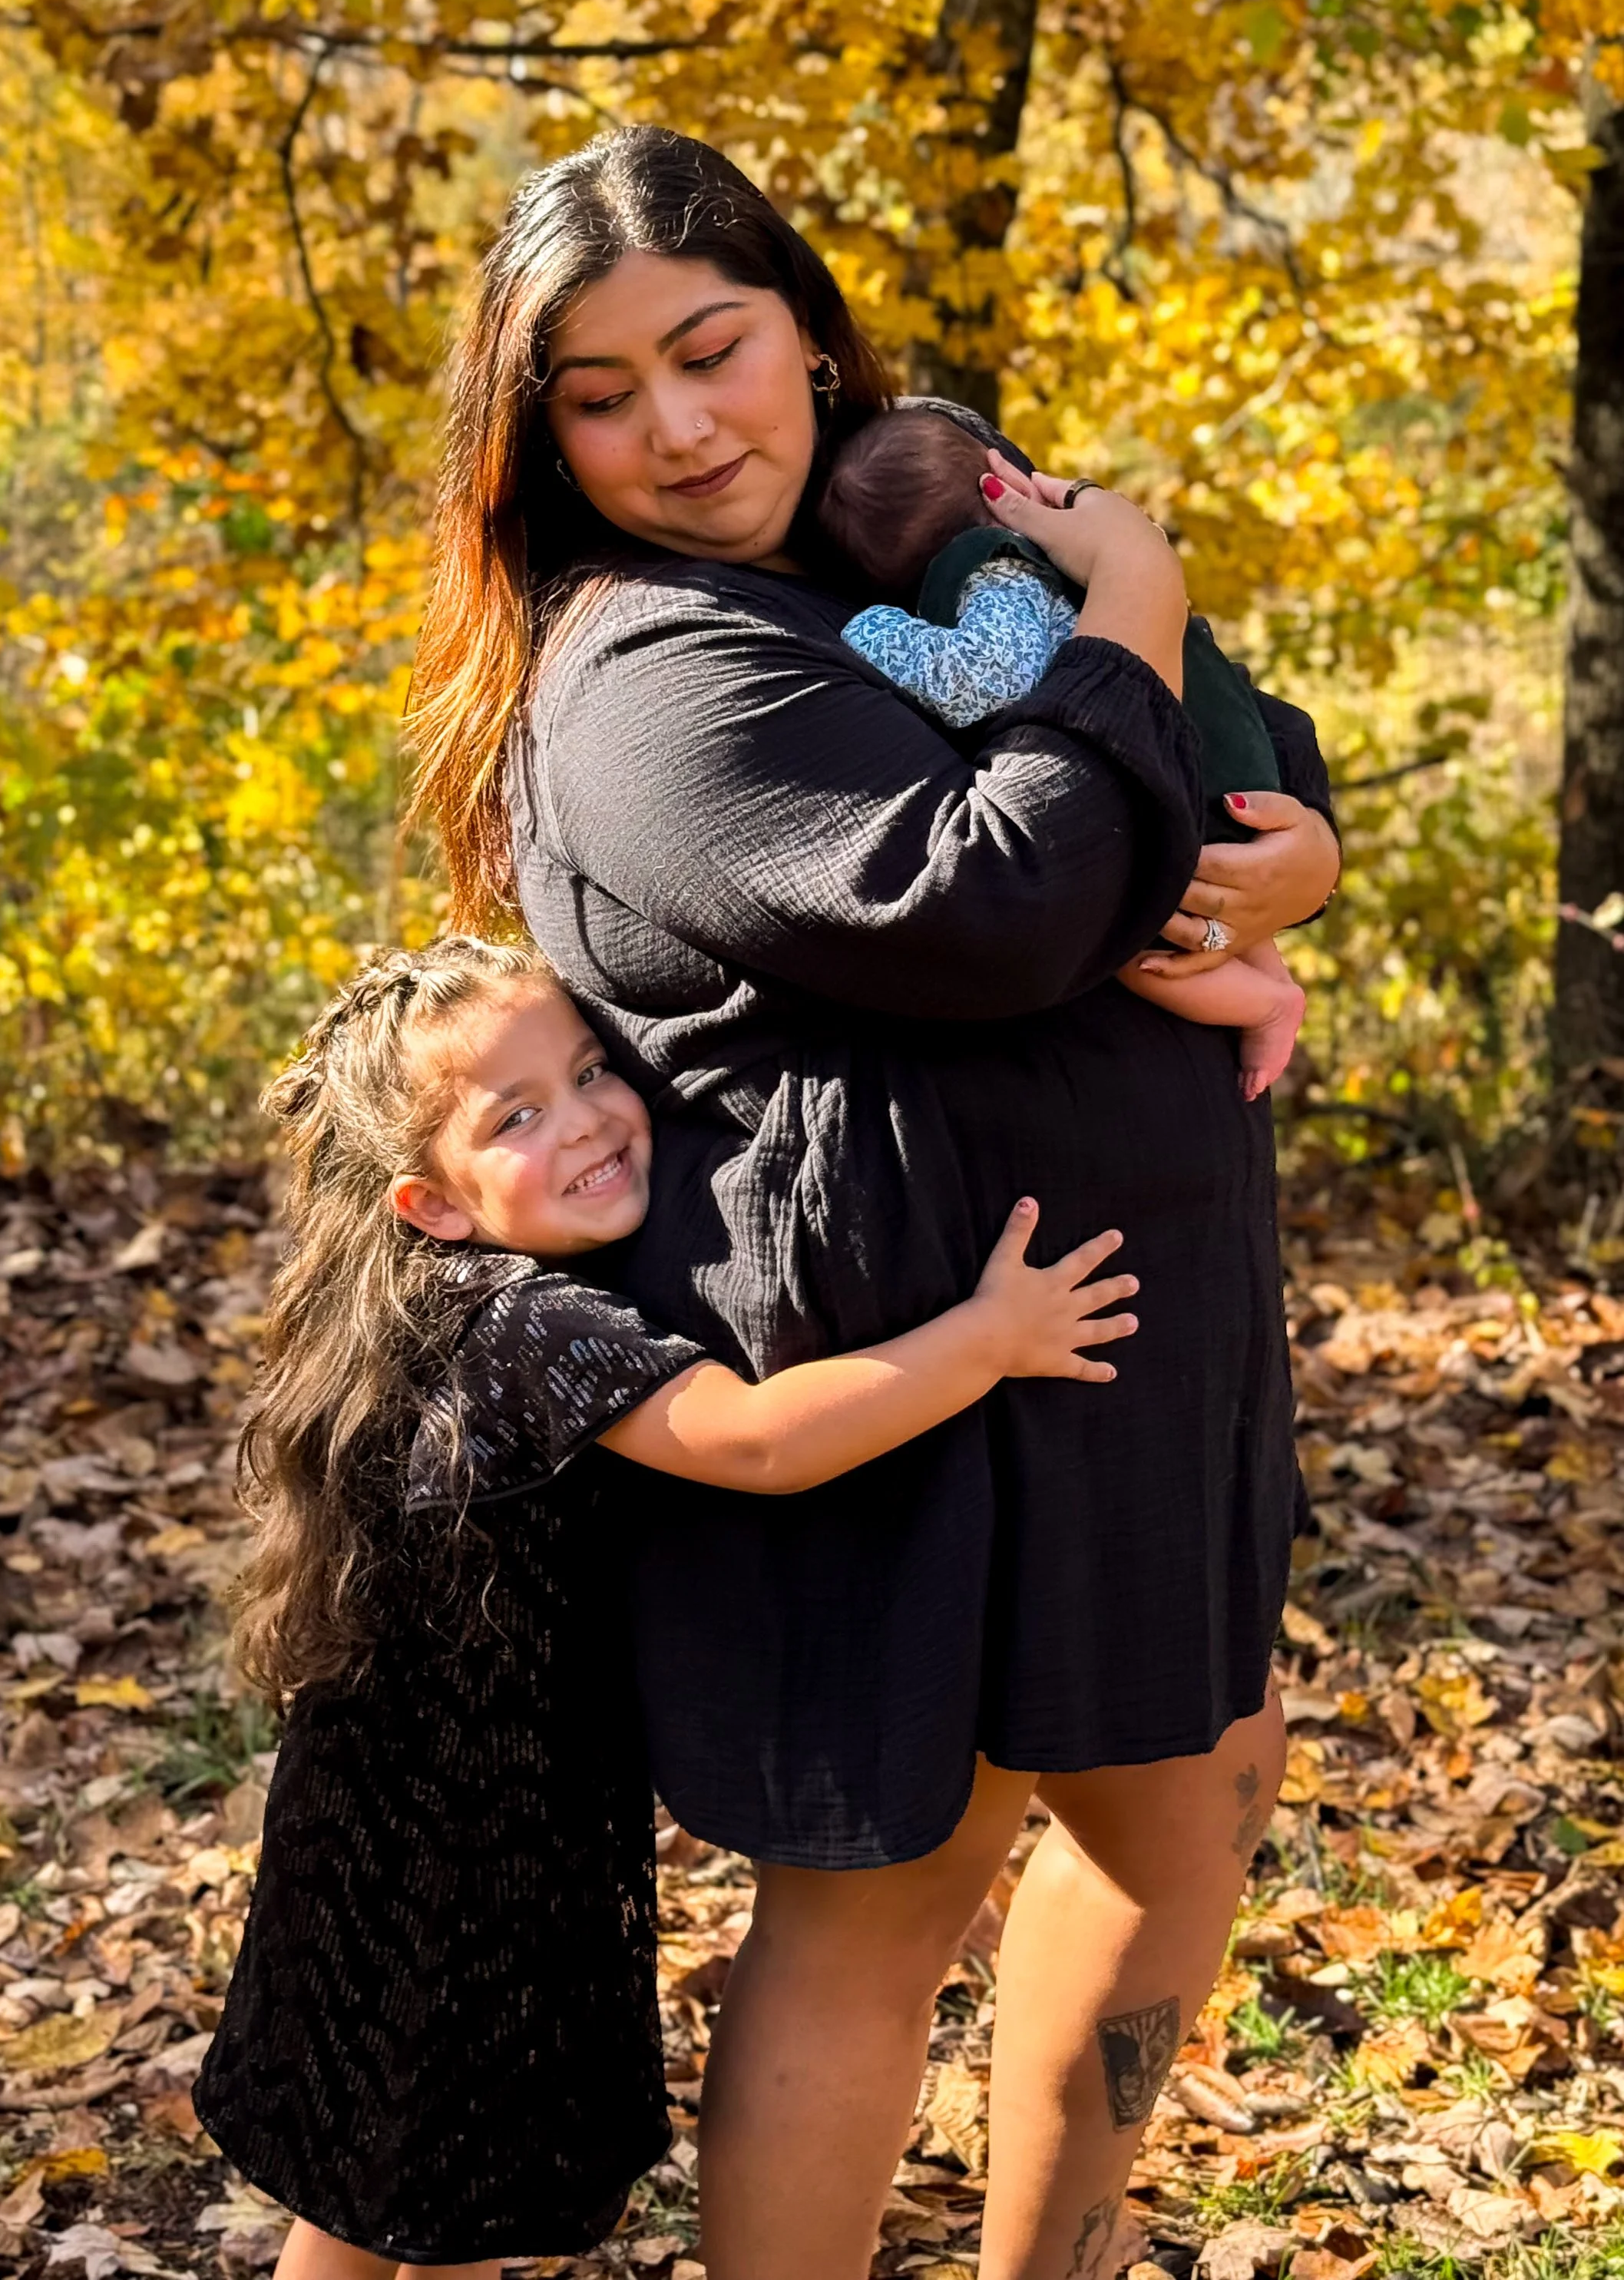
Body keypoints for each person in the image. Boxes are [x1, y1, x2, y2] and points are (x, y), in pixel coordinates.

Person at [408, 124, 1341, 2280]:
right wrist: (1141, 595)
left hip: (1115, 1341)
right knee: (881, 1888)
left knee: (1186, 1785)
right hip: (882, 1362)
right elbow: (988, 904)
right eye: (600, 391)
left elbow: (1222, 754)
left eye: (712, 349)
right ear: (536, 438)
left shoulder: (894, 547)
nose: (677, 425)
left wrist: (1295, 855)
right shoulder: (650, 670)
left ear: (807, 340)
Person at [191, 935, 1136, 2280]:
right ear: (434, 1203)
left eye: (587, 1070)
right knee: (449, 2182)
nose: (583, 1120)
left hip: (370, 1809)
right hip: (484, 1847)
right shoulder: (534, 1329)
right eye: (515, 1117)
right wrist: (985, 1340)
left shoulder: (422, 1301)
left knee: (365, 2176)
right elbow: (756, 1439)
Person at [817, 404, 1305, 1099]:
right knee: (1222, 899)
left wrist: (873, 631)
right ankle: (1272, 974)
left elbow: (982, 679)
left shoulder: (989, 576)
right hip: (1221, 763)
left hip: (1161, 779)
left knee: (1129, 950)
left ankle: (1264, 1003)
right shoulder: (1063, 555)